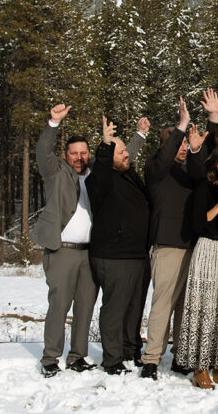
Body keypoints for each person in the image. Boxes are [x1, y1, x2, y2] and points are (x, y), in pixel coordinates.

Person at [34, 104, 143, 377]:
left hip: (89, 253)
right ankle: (50, 357)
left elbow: (120, 156)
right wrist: (53, 123)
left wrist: (138, 137)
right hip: (62, 251)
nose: (80, 157)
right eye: (74, 153)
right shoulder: (55, 171)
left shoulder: (96, 173)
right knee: (59, 305)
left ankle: (77, 355)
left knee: (85, 305)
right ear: (65, 155)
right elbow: (42, 151)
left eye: (84, 153)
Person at [138, 97, 209, 379]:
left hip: (191, 244)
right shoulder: (156, 170)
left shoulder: (187, 172)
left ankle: (181, 355)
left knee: (184, 305)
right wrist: (181, 125)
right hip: (166, 245)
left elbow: (200, 172)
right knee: (163, 303)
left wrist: (195, 149)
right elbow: (166, 156)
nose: (181, 148)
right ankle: (151, 359)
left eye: (183, 144)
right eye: (177, 143)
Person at [174, 144, 218, 389]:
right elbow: (197, 222)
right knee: (204, 306)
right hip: (207, 249)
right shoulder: (205, 186)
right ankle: (200, 367)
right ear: (215, 164)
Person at [87, 115, 151, 375]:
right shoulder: (100, 180)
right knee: (115, 309)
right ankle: (112, 359)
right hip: (114, 255)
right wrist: (105, 144)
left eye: (126, 150)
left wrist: (139, 136)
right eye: (121, 151)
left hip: (136, 254)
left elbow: (125, 157)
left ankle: (129, 349)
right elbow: (103, 166)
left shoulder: (127, 175)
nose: (127, 154)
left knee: (133, 308)